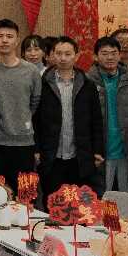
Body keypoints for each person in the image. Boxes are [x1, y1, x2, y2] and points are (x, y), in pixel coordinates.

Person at [0, 19, 42, 188]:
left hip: (24, 142)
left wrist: (21, 120)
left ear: (17, 40)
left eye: (9, 36)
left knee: (26, 195)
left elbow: (35, 102)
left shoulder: (31, 71)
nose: (4, 40)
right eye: (0, 36)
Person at [34, 38, 105, 196]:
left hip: (80, 157)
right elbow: (35, 120)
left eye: (68, 54)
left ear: (76, 56)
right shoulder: (43, 84)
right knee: (52, 202)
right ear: (52, 55)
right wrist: (36, 149)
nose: (63, 58)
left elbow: (96, 121)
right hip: (51, 156)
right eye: (59, 53)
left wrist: (98, 150)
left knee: (79, 203)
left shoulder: (87, 84)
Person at [86, 36, 128, 196]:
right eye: (104, 53)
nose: (110, 57)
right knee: (101, 198)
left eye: (114, 53)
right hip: (100, 151)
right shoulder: (87, 81)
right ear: (95, 56)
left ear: (119, 55)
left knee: (127, 198)